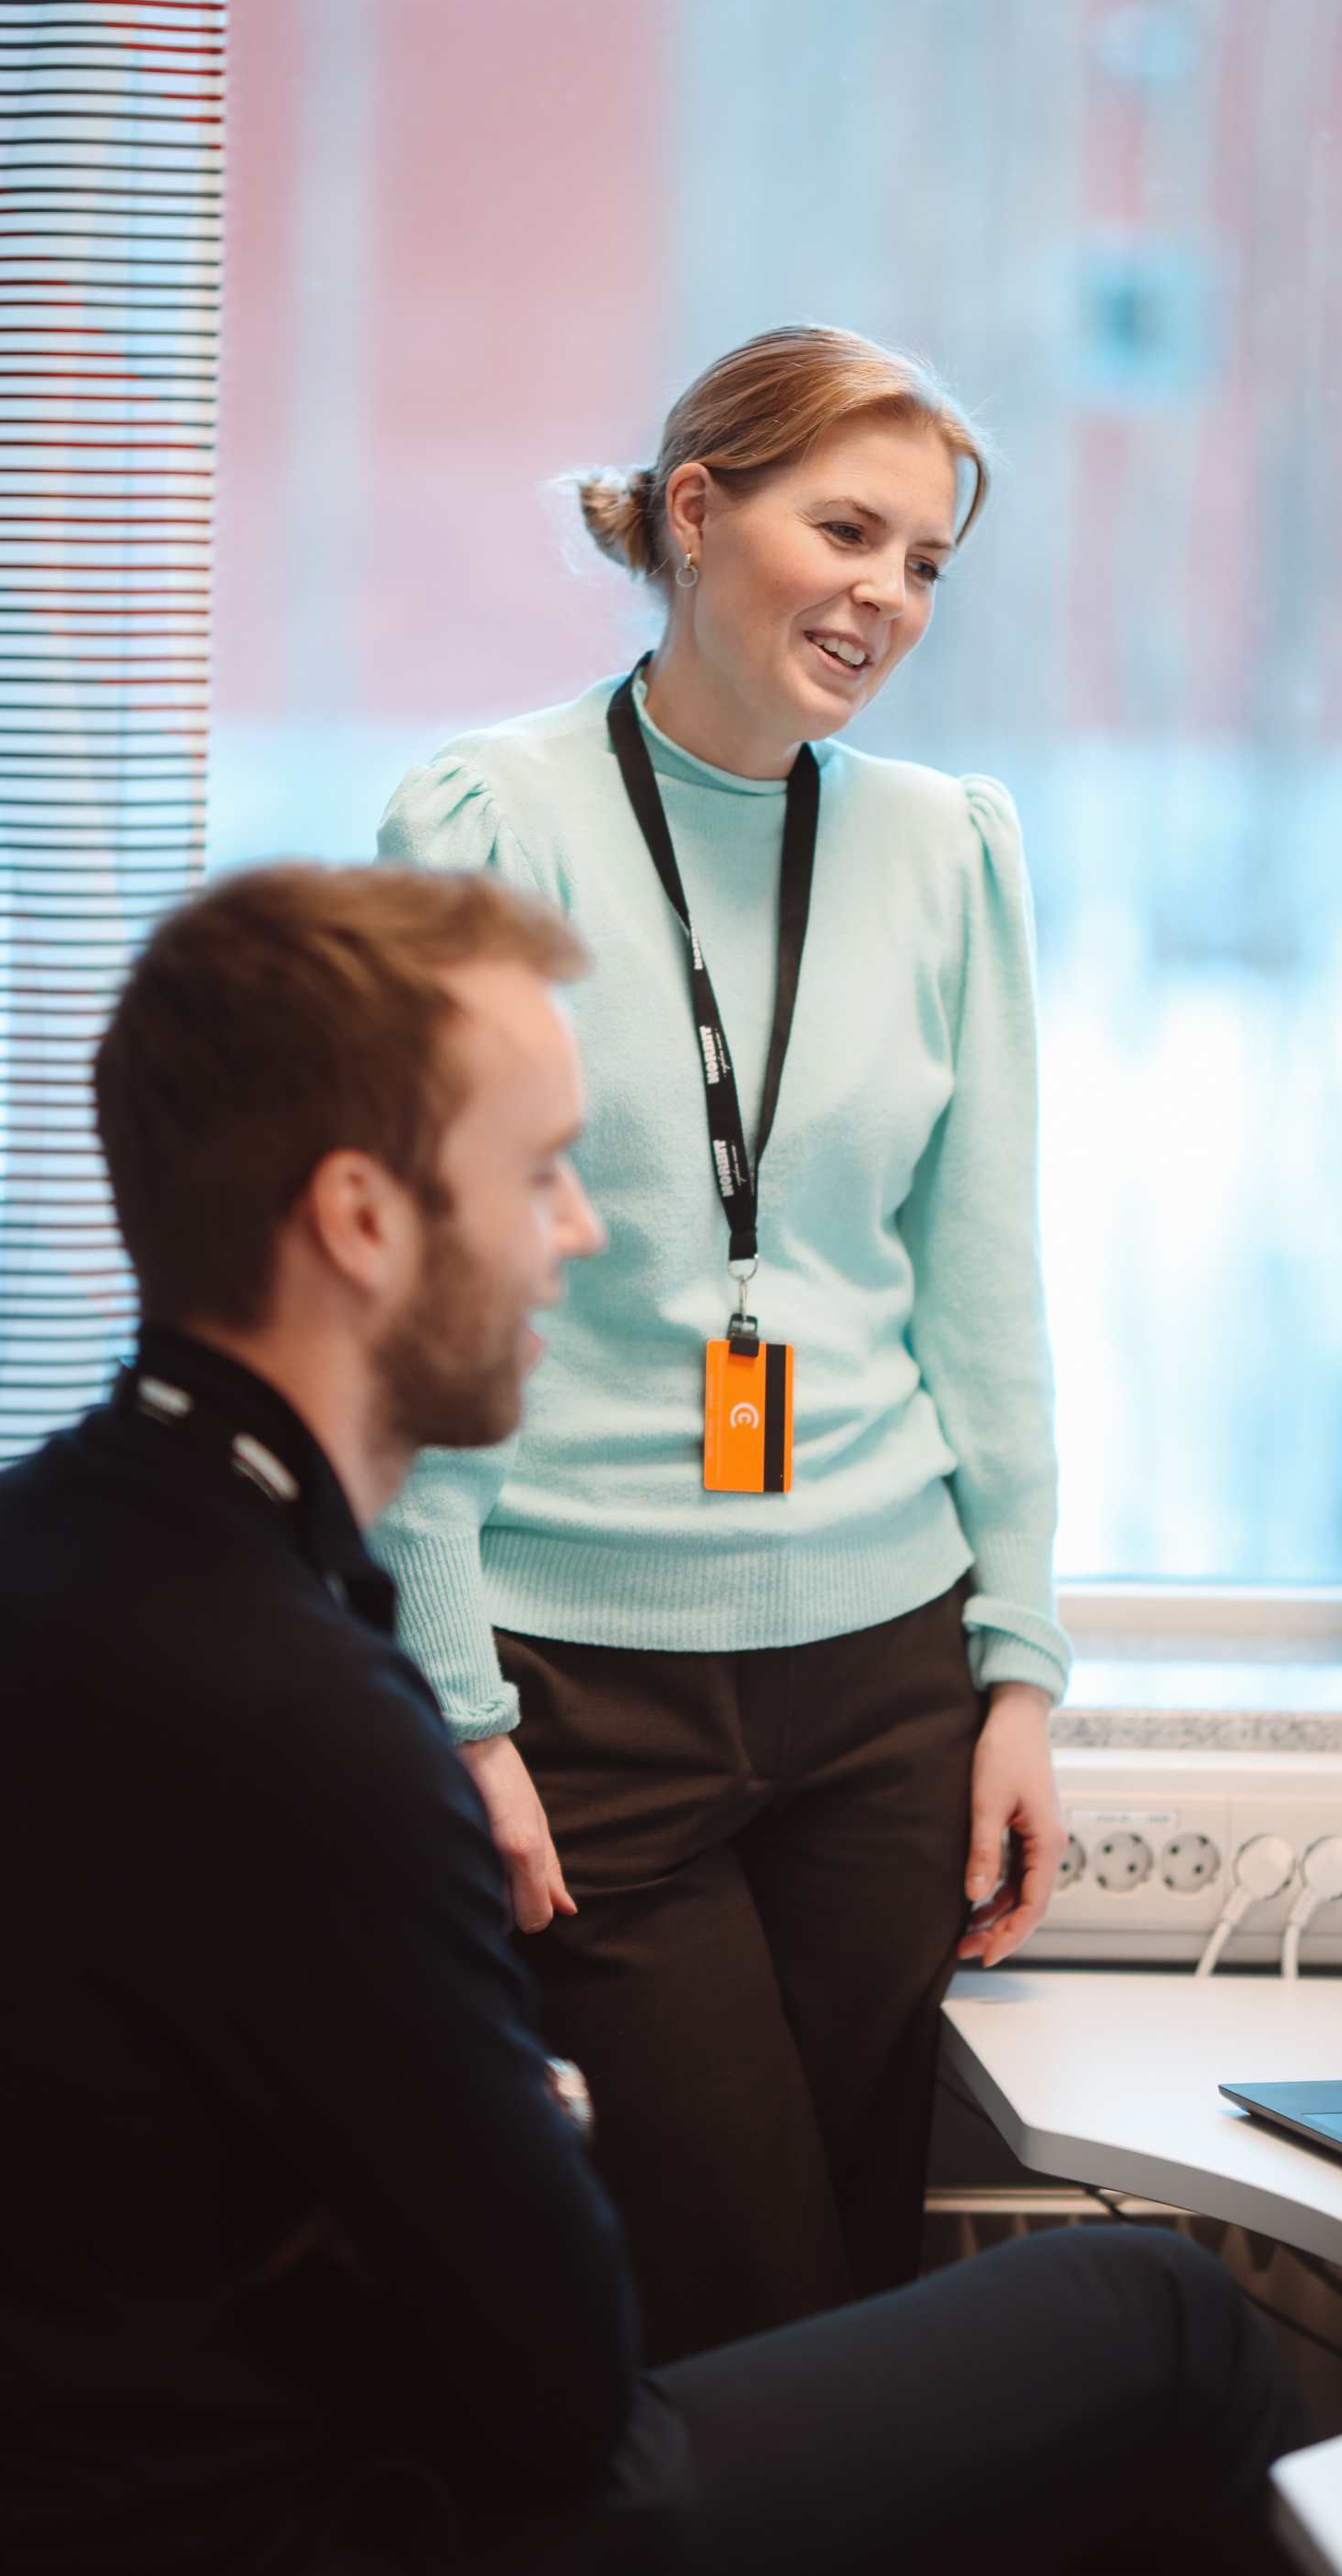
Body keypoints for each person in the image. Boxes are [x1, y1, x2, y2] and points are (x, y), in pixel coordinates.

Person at [0, 862, 1305, 2576]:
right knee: (1162, 2316)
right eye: (537, 1173)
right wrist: (537, 2116)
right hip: (305, 2527)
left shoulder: (0, 1556)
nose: (579, 1232)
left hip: (50, 2488)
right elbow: (558, 2403)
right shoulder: (302, 1719)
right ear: (363, 1220)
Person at [375, 324, 1070, 2357]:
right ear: (696, 512)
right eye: (844, 531)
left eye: (925, 562)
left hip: (885, 1685)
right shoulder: (488, 824)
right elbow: (412, 1302)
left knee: (848, 2285)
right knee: (731, 2305)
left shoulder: (948, 850)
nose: (886, 596)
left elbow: (984, 1283)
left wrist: (1017, 1669)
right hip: (582, 1687)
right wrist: (458, 1705)